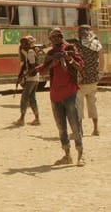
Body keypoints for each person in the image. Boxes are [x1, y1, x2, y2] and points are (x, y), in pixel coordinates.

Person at [34, 28, 85, 166]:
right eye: (53, 38)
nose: (56, 39)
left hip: (70, 93)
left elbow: (80, 67)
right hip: (55, 96)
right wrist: (52, 64)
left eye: (58, 37)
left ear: (62, 36)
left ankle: (80, 155)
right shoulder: (51, 53)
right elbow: (43, 71)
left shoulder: (70, 48)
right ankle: (67, 155)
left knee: (75, 126)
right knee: (61, 128)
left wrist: (69, 59)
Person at [75, 24, 102, 136]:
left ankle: (80, 130)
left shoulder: (78, 45)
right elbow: (100, 61)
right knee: (92, 104)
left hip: (81, 80)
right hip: (94, 79)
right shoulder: (96, 44)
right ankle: (96, 129)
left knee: (79, 105)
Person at [13, 36, 41, 127]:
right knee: (32, 98)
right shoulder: (26, 52)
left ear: (29, 44)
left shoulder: (30, 52)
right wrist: (20, 76)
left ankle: (22, 119)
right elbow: (25, 64)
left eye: (25, 43)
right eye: (21, 43)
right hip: (34, 78)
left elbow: (33, 67)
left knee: (24, 98)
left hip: (31, 78)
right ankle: (37, 118)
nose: (22, 45)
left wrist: (24, 76)